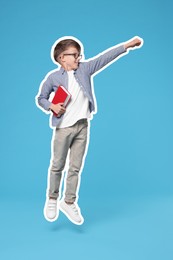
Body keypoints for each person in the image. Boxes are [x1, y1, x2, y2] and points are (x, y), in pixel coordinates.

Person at [35, 36, 143, 225]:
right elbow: (41, 98)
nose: (78, 58)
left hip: (82, 126)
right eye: (74, 55)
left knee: (75, 167)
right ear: (62, 57)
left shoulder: (85, 69)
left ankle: (68, 202)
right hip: (63, 128)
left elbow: (104, 57)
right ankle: (52, 199)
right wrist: (52, 106)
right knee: (57, 165)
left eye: (79, 55)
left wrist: (126, 45)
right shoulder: (53, 77)